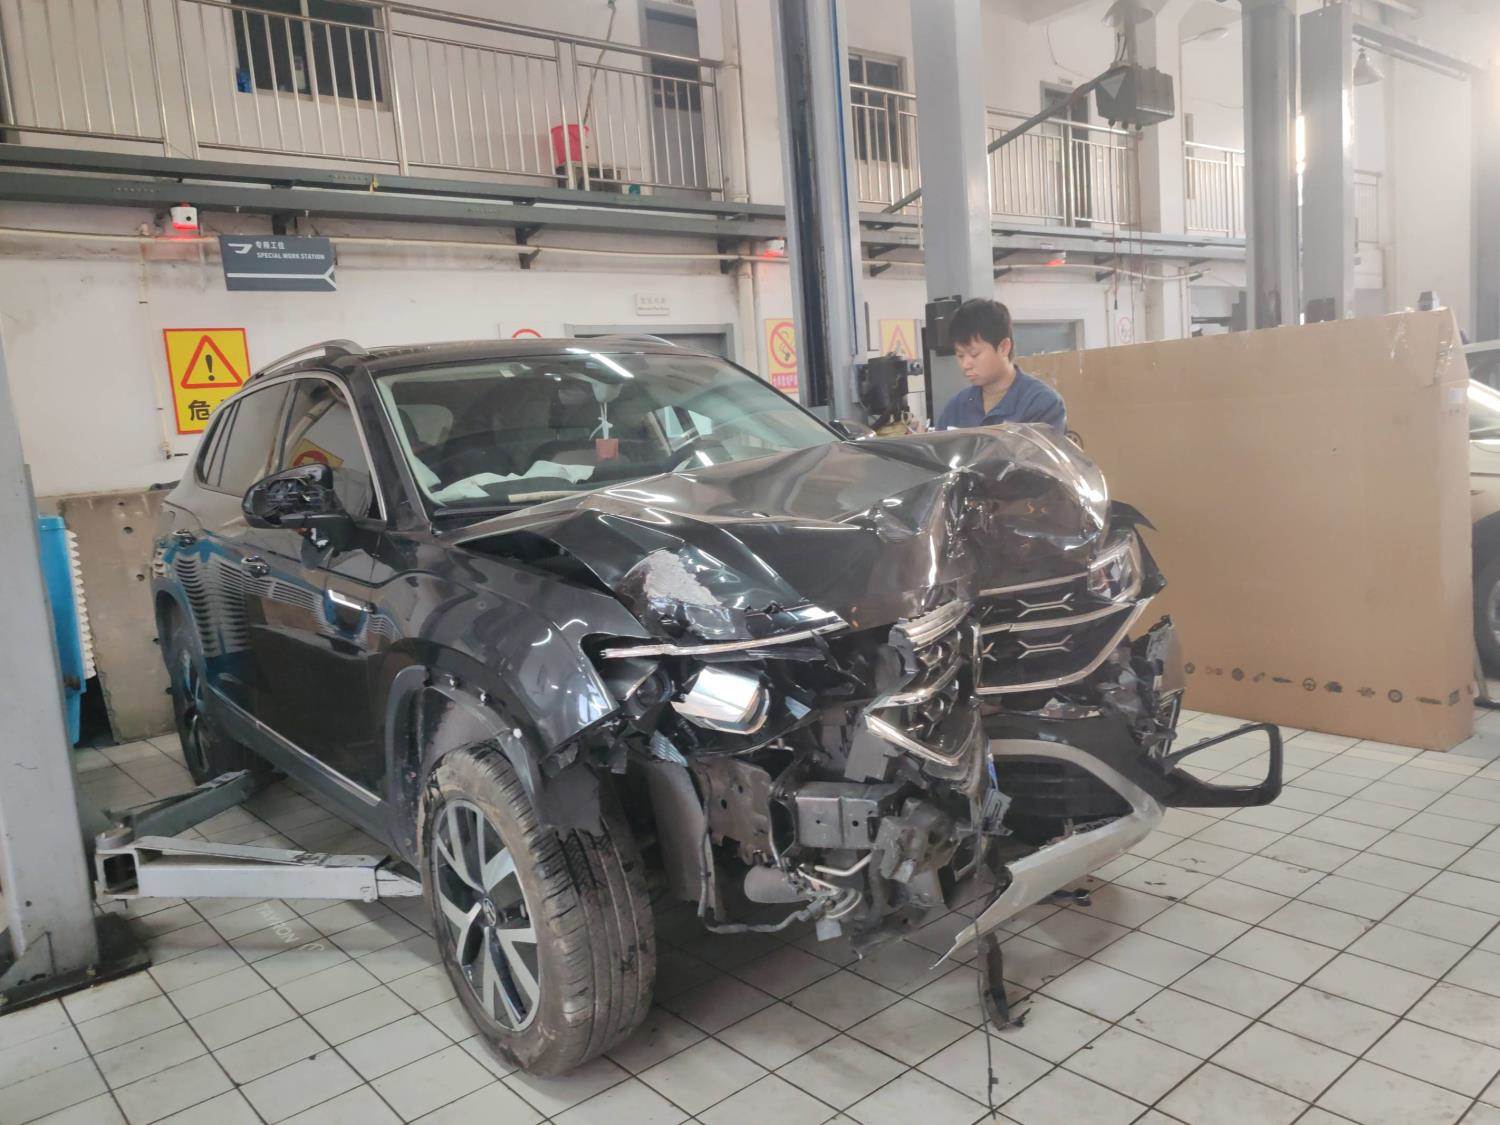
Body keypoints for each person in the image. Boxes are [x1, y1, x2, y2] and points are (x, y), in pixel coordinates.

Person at [934, 299, 1067, 435]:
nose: (965, 365)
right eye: (960, 355)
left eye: (974, 354)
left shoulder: (1041, 403)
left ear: (1004, 347)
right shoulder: (956, 407)